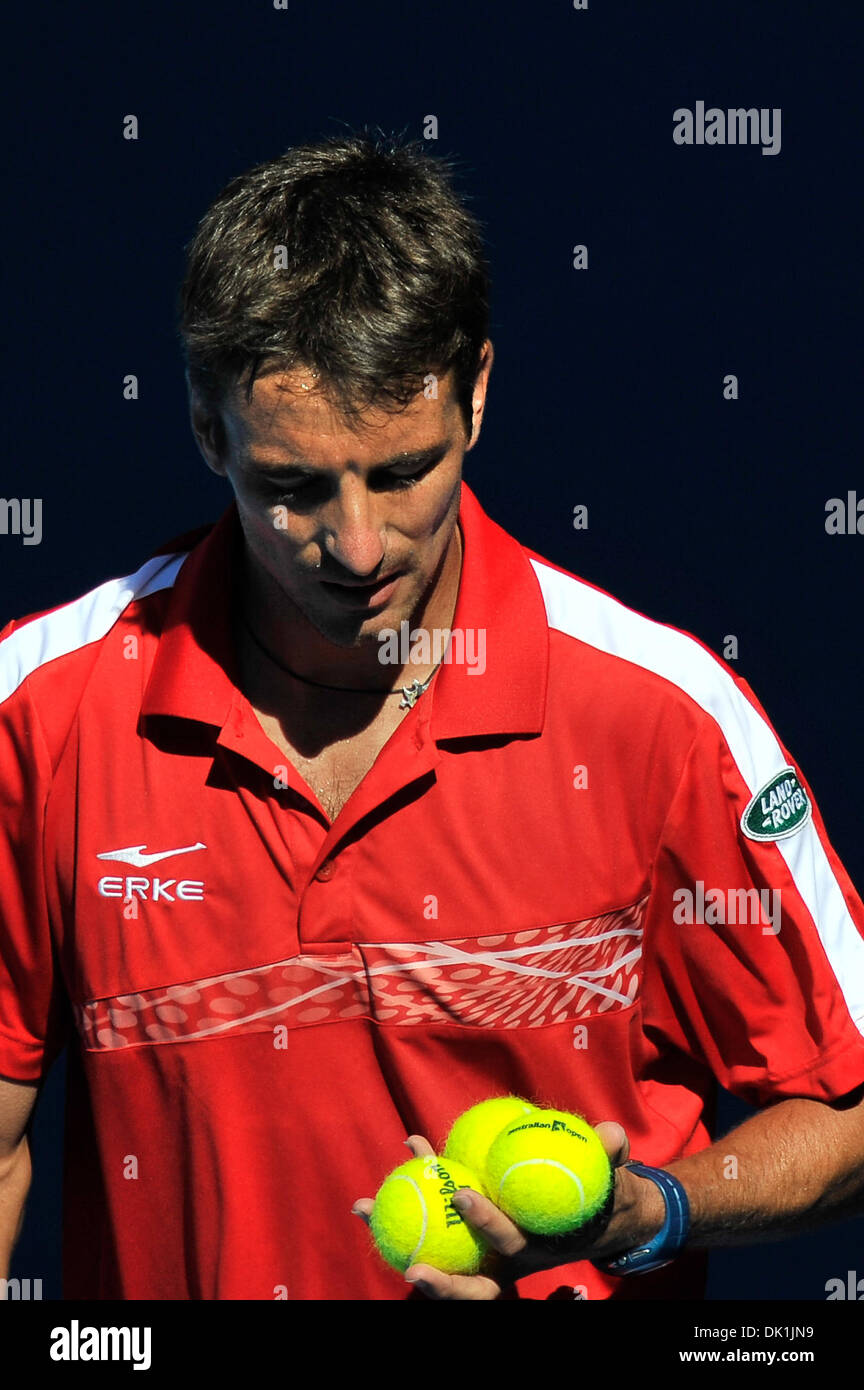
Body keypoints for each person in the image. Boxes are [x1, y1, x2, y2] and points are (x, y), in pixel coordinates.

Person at [1, 131, 864, 1303]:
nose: (358, 548)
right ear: (209, 433)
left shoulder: (665, 715)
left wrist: (649, 1214)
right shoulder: (40, 710)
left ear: (479, 393)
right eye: (294, 486)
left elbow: (849, 1105)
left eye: (401, 472)